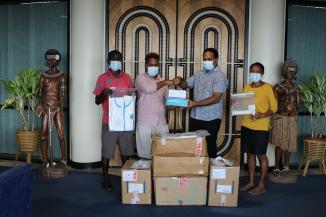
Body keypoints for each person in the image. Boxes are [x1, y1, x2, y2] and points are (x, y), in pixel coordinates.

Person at [175, 47, 228, 158]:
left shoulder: (220, 76)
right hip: (196, 116)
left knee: (210, 146)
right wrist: (179, 80)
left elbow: (216, 98)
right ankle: (197, 172)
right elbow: (186, 84)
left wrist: (195, 104)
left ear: (216, 60)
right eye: (204, 59)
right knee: (195, 146)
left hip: (211, 118)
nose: (206, 61)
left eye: (209, 59)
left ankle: (211, 173)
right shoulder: (199, 74)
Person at [93, 50, 134, 190]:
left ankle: (126, 179)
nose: (116, 61)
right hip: (109, 121)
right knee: (106, 152)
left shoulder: (127, 78)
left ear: (121, 61)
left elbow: (132, 96)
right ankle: (105, 179)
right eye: (113, 59)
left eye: (118, 59)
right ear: (108, 61)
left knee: (126, 153)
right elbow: (97, 101)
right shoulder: (102, 78)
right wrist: (104, 93)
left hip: (125, 123)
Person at [240, 62, 277, 195]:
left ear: (261, 73)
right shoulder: (246, 86)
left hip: (261, 127)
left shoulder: (268, 87)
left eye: (257, 71)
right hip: (246, 124)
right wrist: (237, 105)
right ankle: (251, 182)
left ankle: (261, 184)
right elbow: (243, 103)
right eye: (252, 70)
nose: (254, 73)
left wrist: (262, 115)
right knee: (249, 154)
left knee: (261, 155)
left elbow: (274, 108)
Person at [135, 52, 178, 159]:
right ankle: (146, 175)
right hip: (145, 122)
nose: (153, 67)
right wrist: (165, 82)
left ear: (158, 65)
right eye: (151, 65)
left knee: (162, 154)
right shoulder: (140, 78)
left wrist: (172, 105)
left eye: (155, 65)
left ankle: (158, 175)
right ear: (146, 65)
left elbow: (167, 100)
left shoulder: (162, 80)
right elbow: (149, 89)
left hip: (161, 122)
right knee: (145, 154)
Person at [36, 49, 66, 166]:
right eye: (49, 58)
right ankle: (44, 160)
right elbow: (39, 93)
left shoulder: (61, 76)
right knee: (43, 135)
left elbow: (63, 95)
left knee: (60, 134)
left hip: (56, 108)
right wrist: (43, 105)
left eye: (53, 59)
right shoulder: (43, 76)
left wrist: (57, 105)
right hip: (45, 108)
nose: (51, 60)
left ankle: (63, 159)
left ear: (57, 60)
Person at [270, 60, 299, 175]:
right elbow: (273, 104)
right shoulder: (277, 87)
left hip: (291, 119)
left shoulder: (296, 88)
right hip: (280, 118)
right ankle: (277, 167)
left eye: (292, 70)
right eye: (288, 70)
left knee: (289, 143)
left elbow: (298, 104)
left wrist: (294, 111)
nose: (290, 73)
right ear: (283, 71)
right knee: (279, 143)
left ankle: (286, 166)